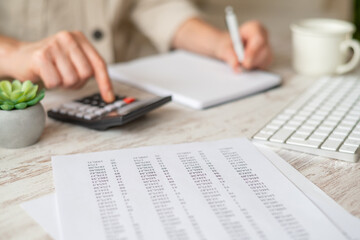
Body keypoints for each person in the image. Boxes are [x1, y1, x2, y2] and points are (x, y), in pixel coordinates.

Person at [0, 0, 272, 103]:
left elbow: (155, 5)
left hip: (130, 92)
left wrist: (220, 43)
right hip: (30, 110)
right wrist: (13, 52)